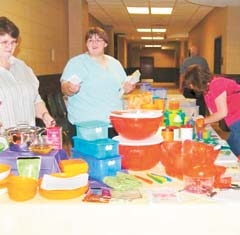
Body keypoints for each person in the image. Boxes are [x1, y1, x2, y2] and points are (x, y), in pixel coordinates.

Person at [60, 26, 136, 138]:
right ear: (86, 44)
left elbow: (122, 87)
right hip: (87, 125)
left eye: (98, 40)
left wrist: (128, 88)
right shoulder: (77, 63)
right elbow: (64, 87)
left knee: (112, 154)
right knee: (87, 155)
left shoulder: (115, 63)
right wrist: (70, 88)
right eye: (90, 40)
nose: (94, 43)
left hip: (113, 122)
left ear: (105, 44)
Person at [0, 16, 55, 130]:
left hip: (28, 139)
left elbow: (35, 100)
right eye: (4, 42)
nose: (9, 47)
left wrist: (44, 115)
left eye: (13, 42)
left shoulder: (23, 68)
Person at [183, 64, 240, 157]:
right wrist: (201, 120)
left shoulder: (217, 84)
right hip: (234, 122)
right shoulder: (206, 92)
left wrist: (203, 121)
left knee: (228, 153)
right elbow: (214, 115)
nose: (191, 87)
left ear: (196, 81)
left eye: (191, 84)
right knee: (227, 152)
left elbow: (222, 113)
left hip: (238, 120)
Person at [179, 45, 210, 116]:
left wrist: (181, 86)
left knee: (188, 103)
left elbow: (182, 74)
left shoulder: (186, 61)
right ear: (198, 52)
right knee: (201, 103)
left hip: (188, 86)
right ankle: (201, 118)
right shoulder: (203, 60)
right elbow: (207, 73)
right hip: (200, 86)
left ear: (191, 52)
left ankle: (189, 117)